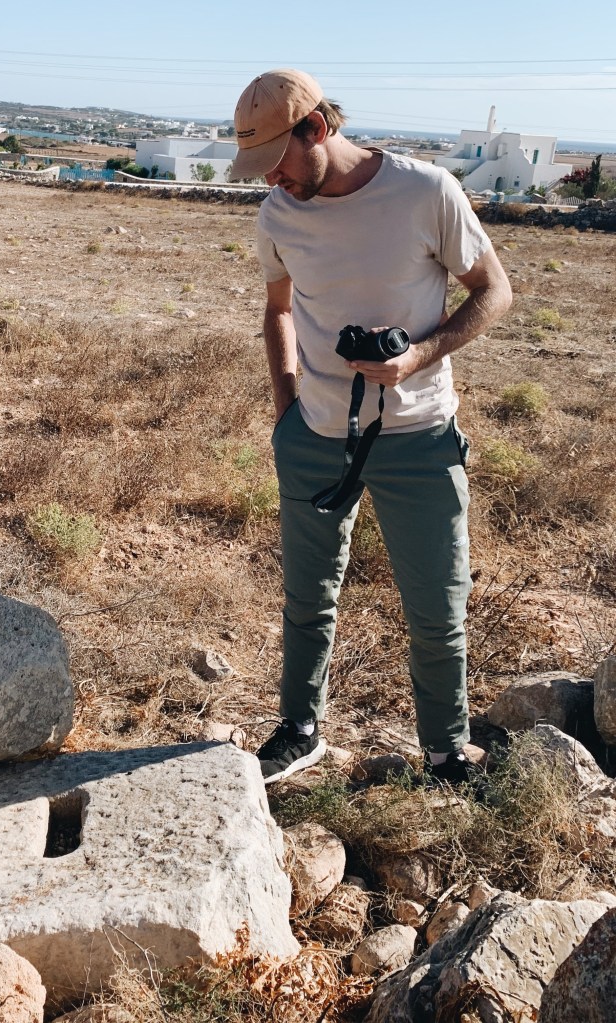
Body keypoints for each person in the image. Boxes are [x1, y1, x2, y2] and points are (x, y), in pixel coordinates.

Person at [228, 69, 512, 785]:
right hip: (314, 437)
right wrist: (285, 411)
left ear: (316, 129)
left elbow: (495, 291)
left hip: (419, 437)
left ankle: (446, 750)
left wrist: (419, 355)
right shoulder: (277, 215)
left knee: (437, 604)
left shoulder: (426, 193)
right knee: (307, 597)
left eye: (279, 163)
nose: (274, 183)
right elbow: (279, 310)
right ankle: (300, 726)